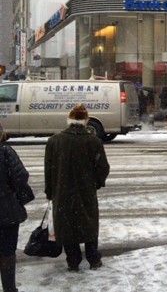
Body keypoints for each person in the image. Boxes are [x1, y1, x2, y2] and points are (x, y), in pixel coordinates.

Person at [44, 104, 110, 272]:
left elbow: (49, 169)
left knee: (67, 224)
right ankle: (93, 258)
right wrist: (96, 182)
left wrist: (50, 191)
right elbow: (103, 167)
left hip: (62, 190)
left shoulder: (55, 141)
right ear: (85, 121)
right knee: (88, 222)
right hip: (86, 190)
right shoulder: (93, 141)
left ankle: (73, 260)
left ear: (70, 120)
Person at [1, 122, 34, 292]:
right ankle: (9, 288)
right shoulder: (6, 152)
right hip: (7, 212)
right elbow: (21, 176)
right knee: (7, 251)